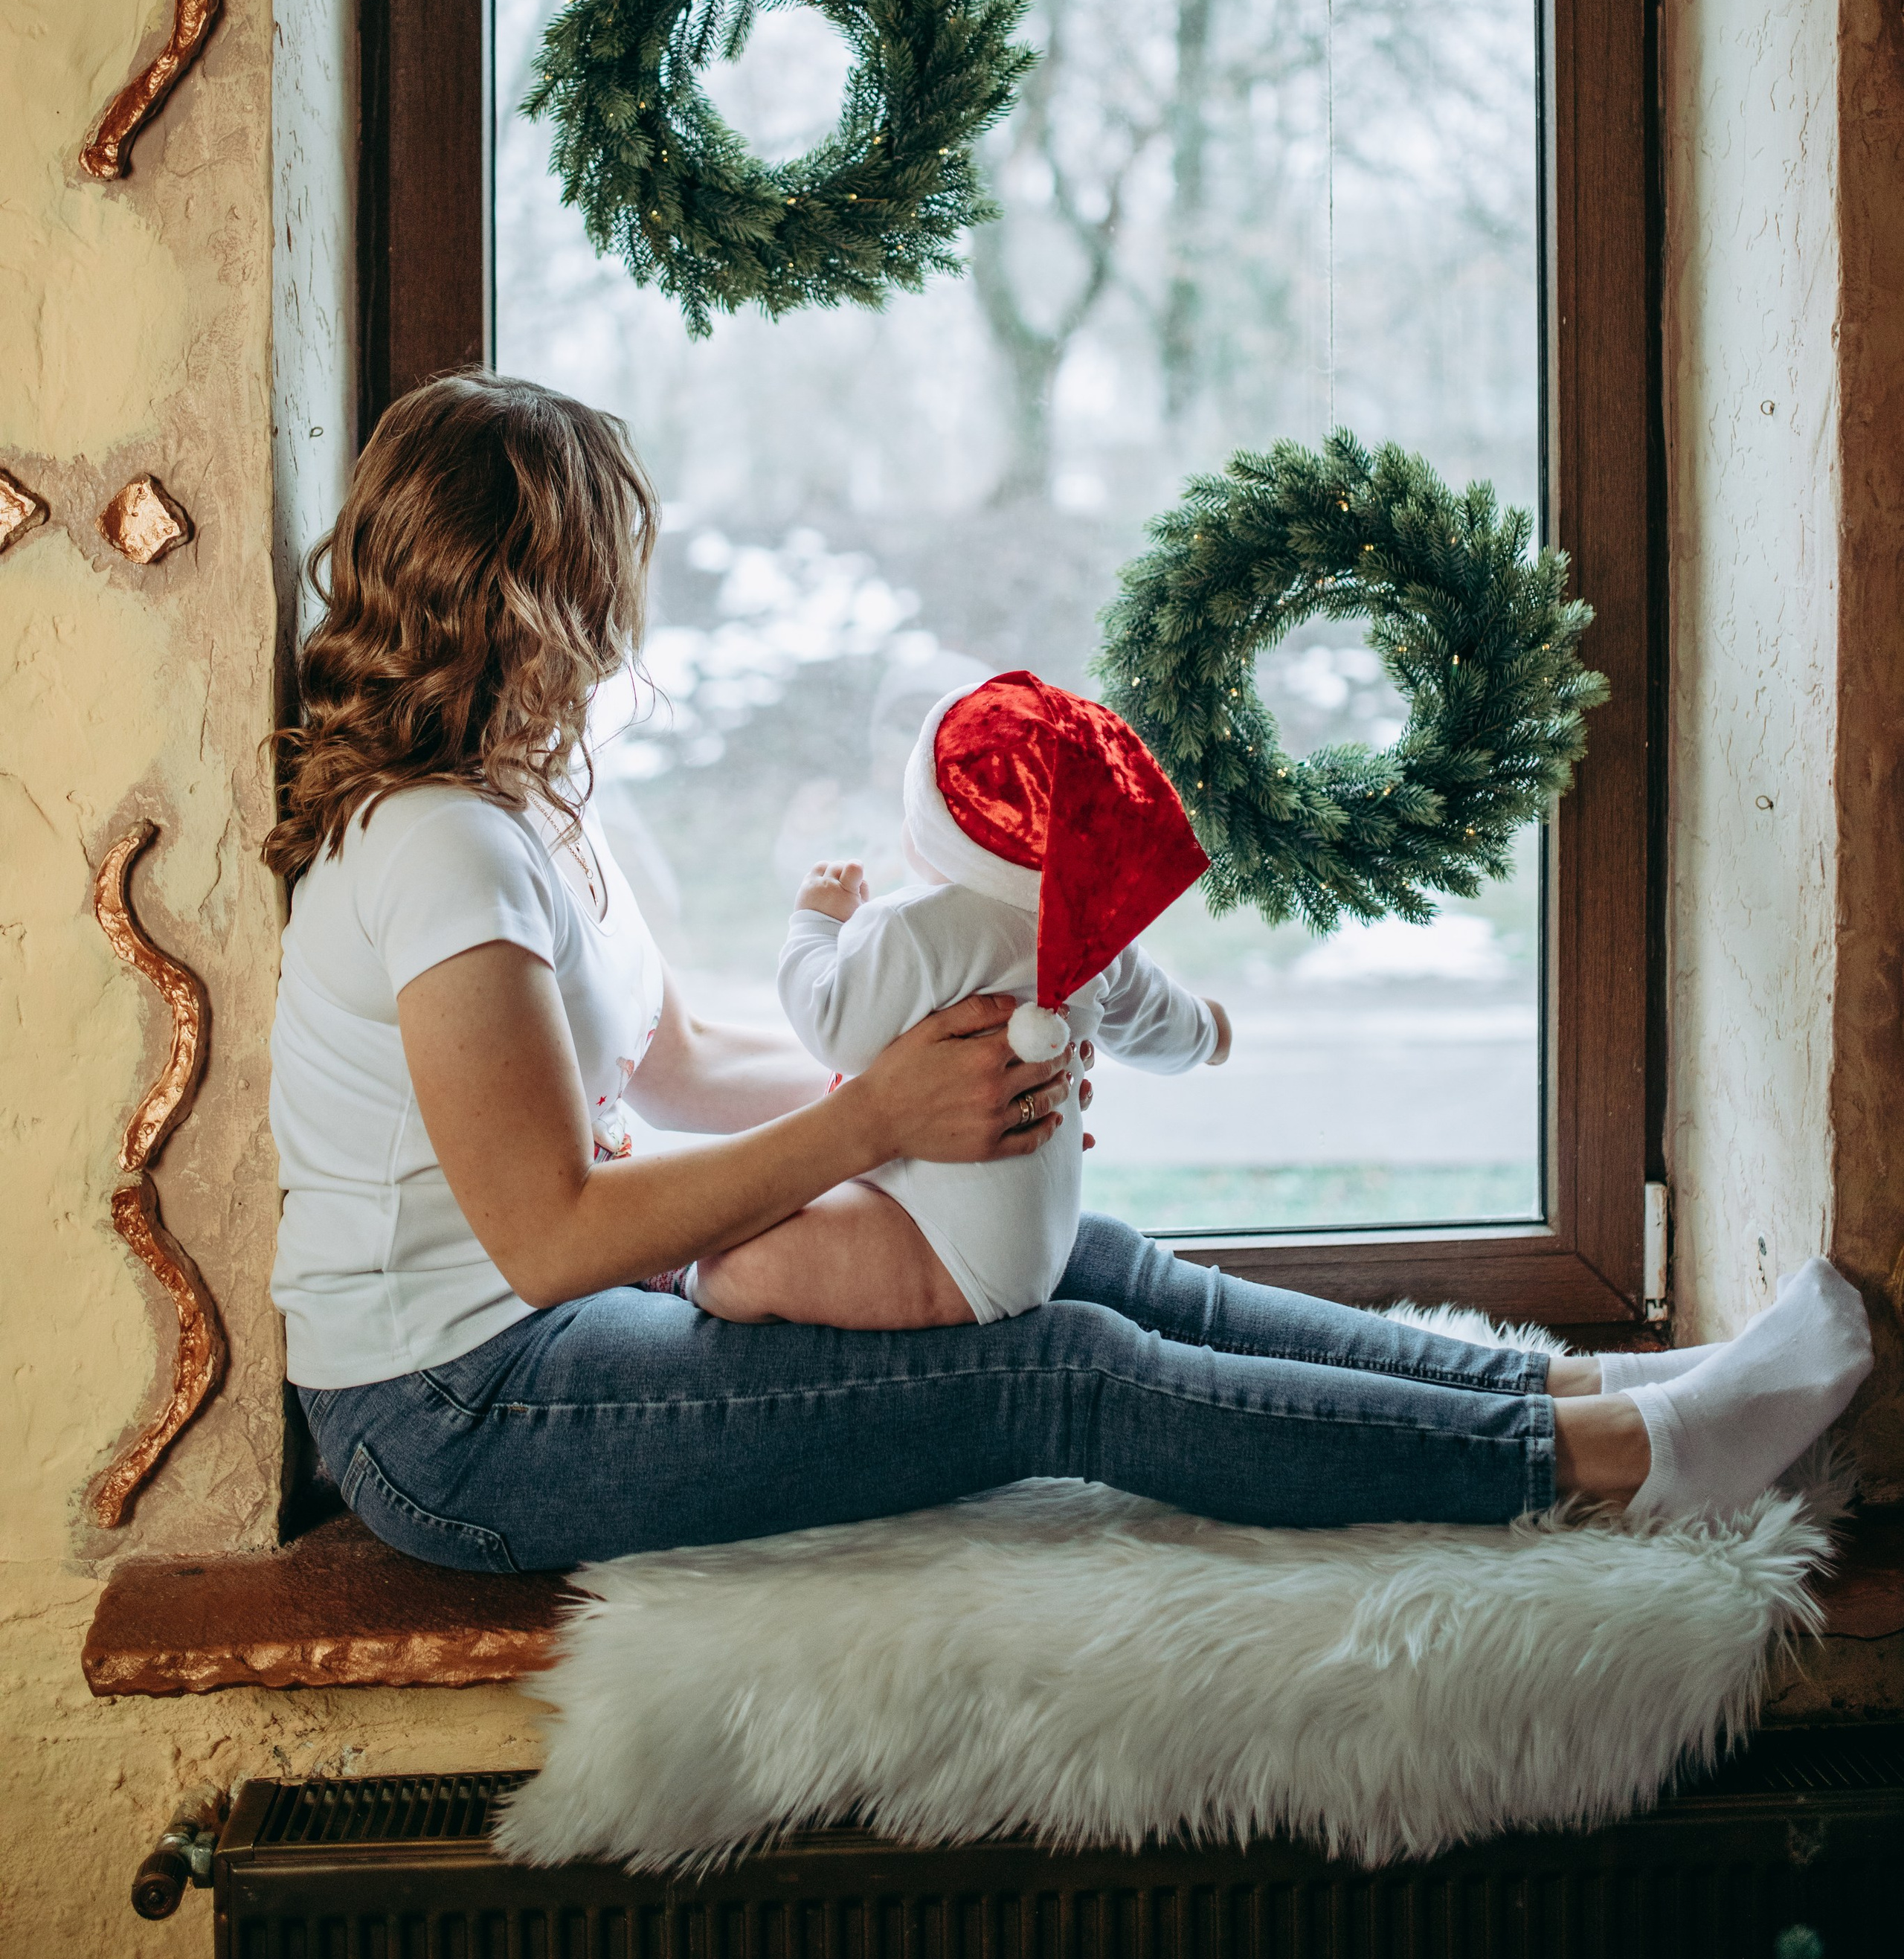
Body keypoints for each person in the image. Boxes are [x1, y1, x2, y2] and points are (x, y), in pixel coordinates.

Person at [265, 370, 1871, 1577]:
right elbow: (547, 1238)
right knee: (1053, 1369)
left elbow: (674, 1058)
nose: (633, 610)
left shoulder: (540, 810)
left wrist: (960, 1095)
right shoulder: (434, 850)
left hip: (542, 1338)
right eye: (612, 569)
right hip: (456, 1414)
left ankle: (1579, 1379)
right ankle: (1615, 1460)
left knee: (1088, 1255)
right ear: (542, 595)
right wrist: (871, 1120)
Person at [692, 672, 1231, 1328]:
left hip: (935, 1246)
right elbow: (1162, 1023)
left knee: (729, 1268)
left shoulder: (915, 928)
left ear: (938, 829)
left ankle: (674, 1277)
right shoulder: (1093, 936)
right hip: (1029, 1244)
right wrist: (1212, 1033)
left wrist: (817, 926)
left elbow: (834, 1028)